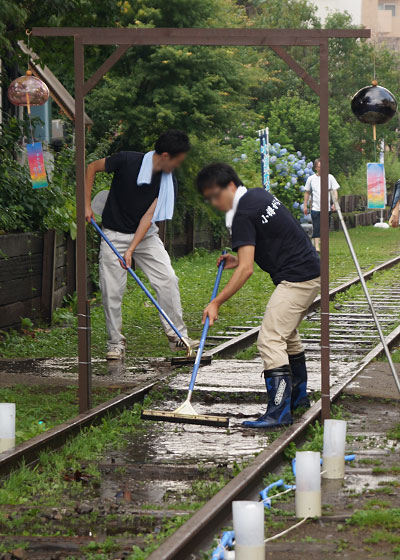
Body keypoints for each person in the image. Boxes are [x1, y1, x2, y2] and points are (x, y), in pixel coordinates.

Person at [197, 163, 320, 429]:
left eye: (215, 195)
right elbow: (257, 248)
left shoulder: (242, 213)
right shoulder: (258, 196)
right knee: (286, 336)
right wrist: (235, 258)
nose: (215, 203)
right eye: (209, 199)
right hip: (309, 270)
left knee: (270, 339)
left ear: (230, 186)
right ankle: (297, 399)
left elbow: (246, 269)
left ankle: (278, 412)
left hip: (298, 278)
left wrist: (216, 302)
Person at [85, 130, 197, 360]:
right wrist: (86, 205)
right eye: (177, 160)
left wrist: (131, 250)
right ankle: (115, 343)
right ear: (165, 155)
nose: (178, 166)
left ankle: (177, 336)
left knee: (167, 278)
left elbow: (149, 217)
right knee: (111, 291)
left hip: (145, 237)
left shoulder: (167, 181)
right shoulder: (127, 160)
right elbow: (91, 167)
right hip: (113, 233)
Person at [303, 158, 340, 253]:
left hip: (326, 208)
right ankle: (316, 247)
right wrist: (305, 206)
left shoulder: (330, 177)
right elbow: (307, 192)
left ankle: (324, 246)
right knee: (316, 227)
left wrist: (334, 203)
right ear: (316, 168)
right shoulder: (311, 179)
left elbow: (334, 191)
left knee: (325, 228)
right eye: (319, 167)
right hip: (315, 208)